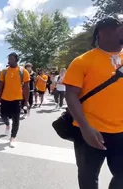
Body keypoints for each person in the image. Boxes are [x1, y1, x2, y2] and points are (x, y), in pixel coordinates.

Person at [64, 17, 123, 189]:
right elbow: (71, 95)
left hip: (121, 133)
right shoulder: (82, 61)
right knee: (88, 180)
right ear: (103, 33)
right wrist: (85, 127)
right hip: (89, 133)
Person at [0, 53, 30, 147]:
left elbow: (26, 87)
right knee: (3, 115)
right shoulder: (4, 71)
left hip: (17, 99)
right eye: (9, 58)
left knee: (16, 119)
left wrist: (26, 100)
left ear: (16, 59)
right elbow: (0, 86)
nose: (9, 60)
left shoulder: (23, 71)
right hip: (5, 98)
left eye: (11, 58)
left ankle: (13, 137)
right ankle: (7, 124)